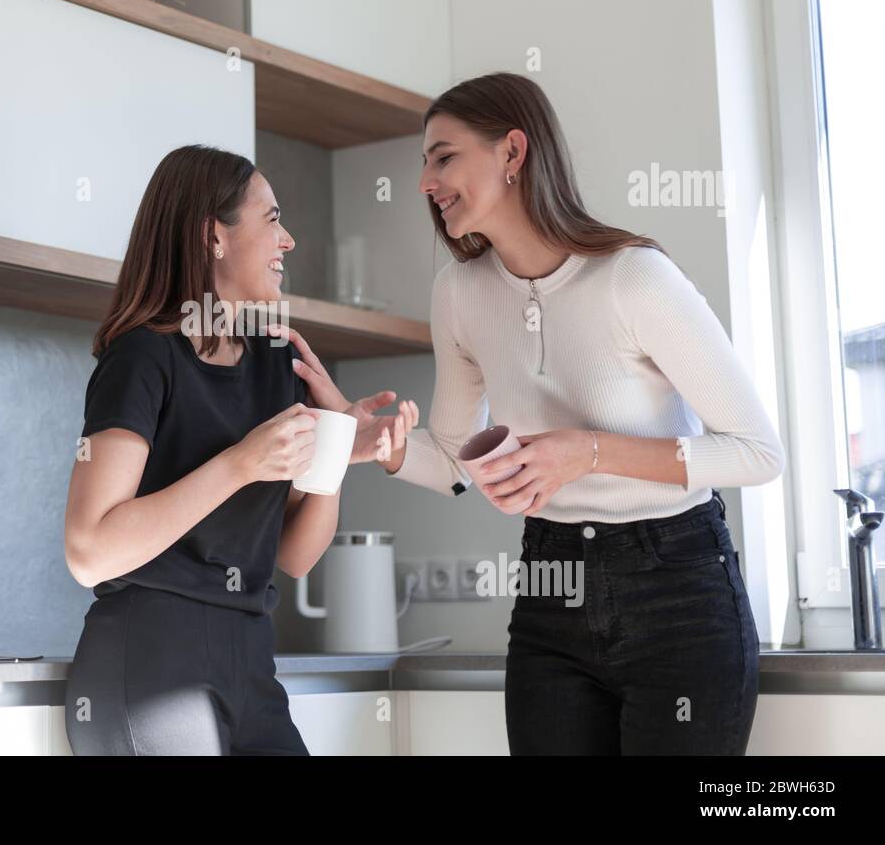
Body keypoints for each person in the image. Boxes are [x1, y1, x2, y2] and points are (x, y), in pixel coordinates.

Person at [281, 72, 785, 754]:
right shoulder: (458, 293)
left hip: (678, 593)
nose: (426, 181)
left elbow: (758, 452)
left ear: (513, 153)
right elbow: (456, 459)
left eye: (443, 156)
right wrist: (369, 438)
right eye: (424, 163)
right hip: (553, 593)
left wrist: (589, 452)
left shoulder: (633, 277)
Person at [62, 144, 402, 755]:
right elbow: (89, 551)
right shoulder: (141, 358)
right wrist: (240, 463)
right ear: (212, 235)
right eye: (271, 219)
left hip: (250, 662)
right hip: (151, 665)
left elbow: (295, 556)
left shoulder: (276, 362)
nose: (289, 240)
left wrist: (334, 447)